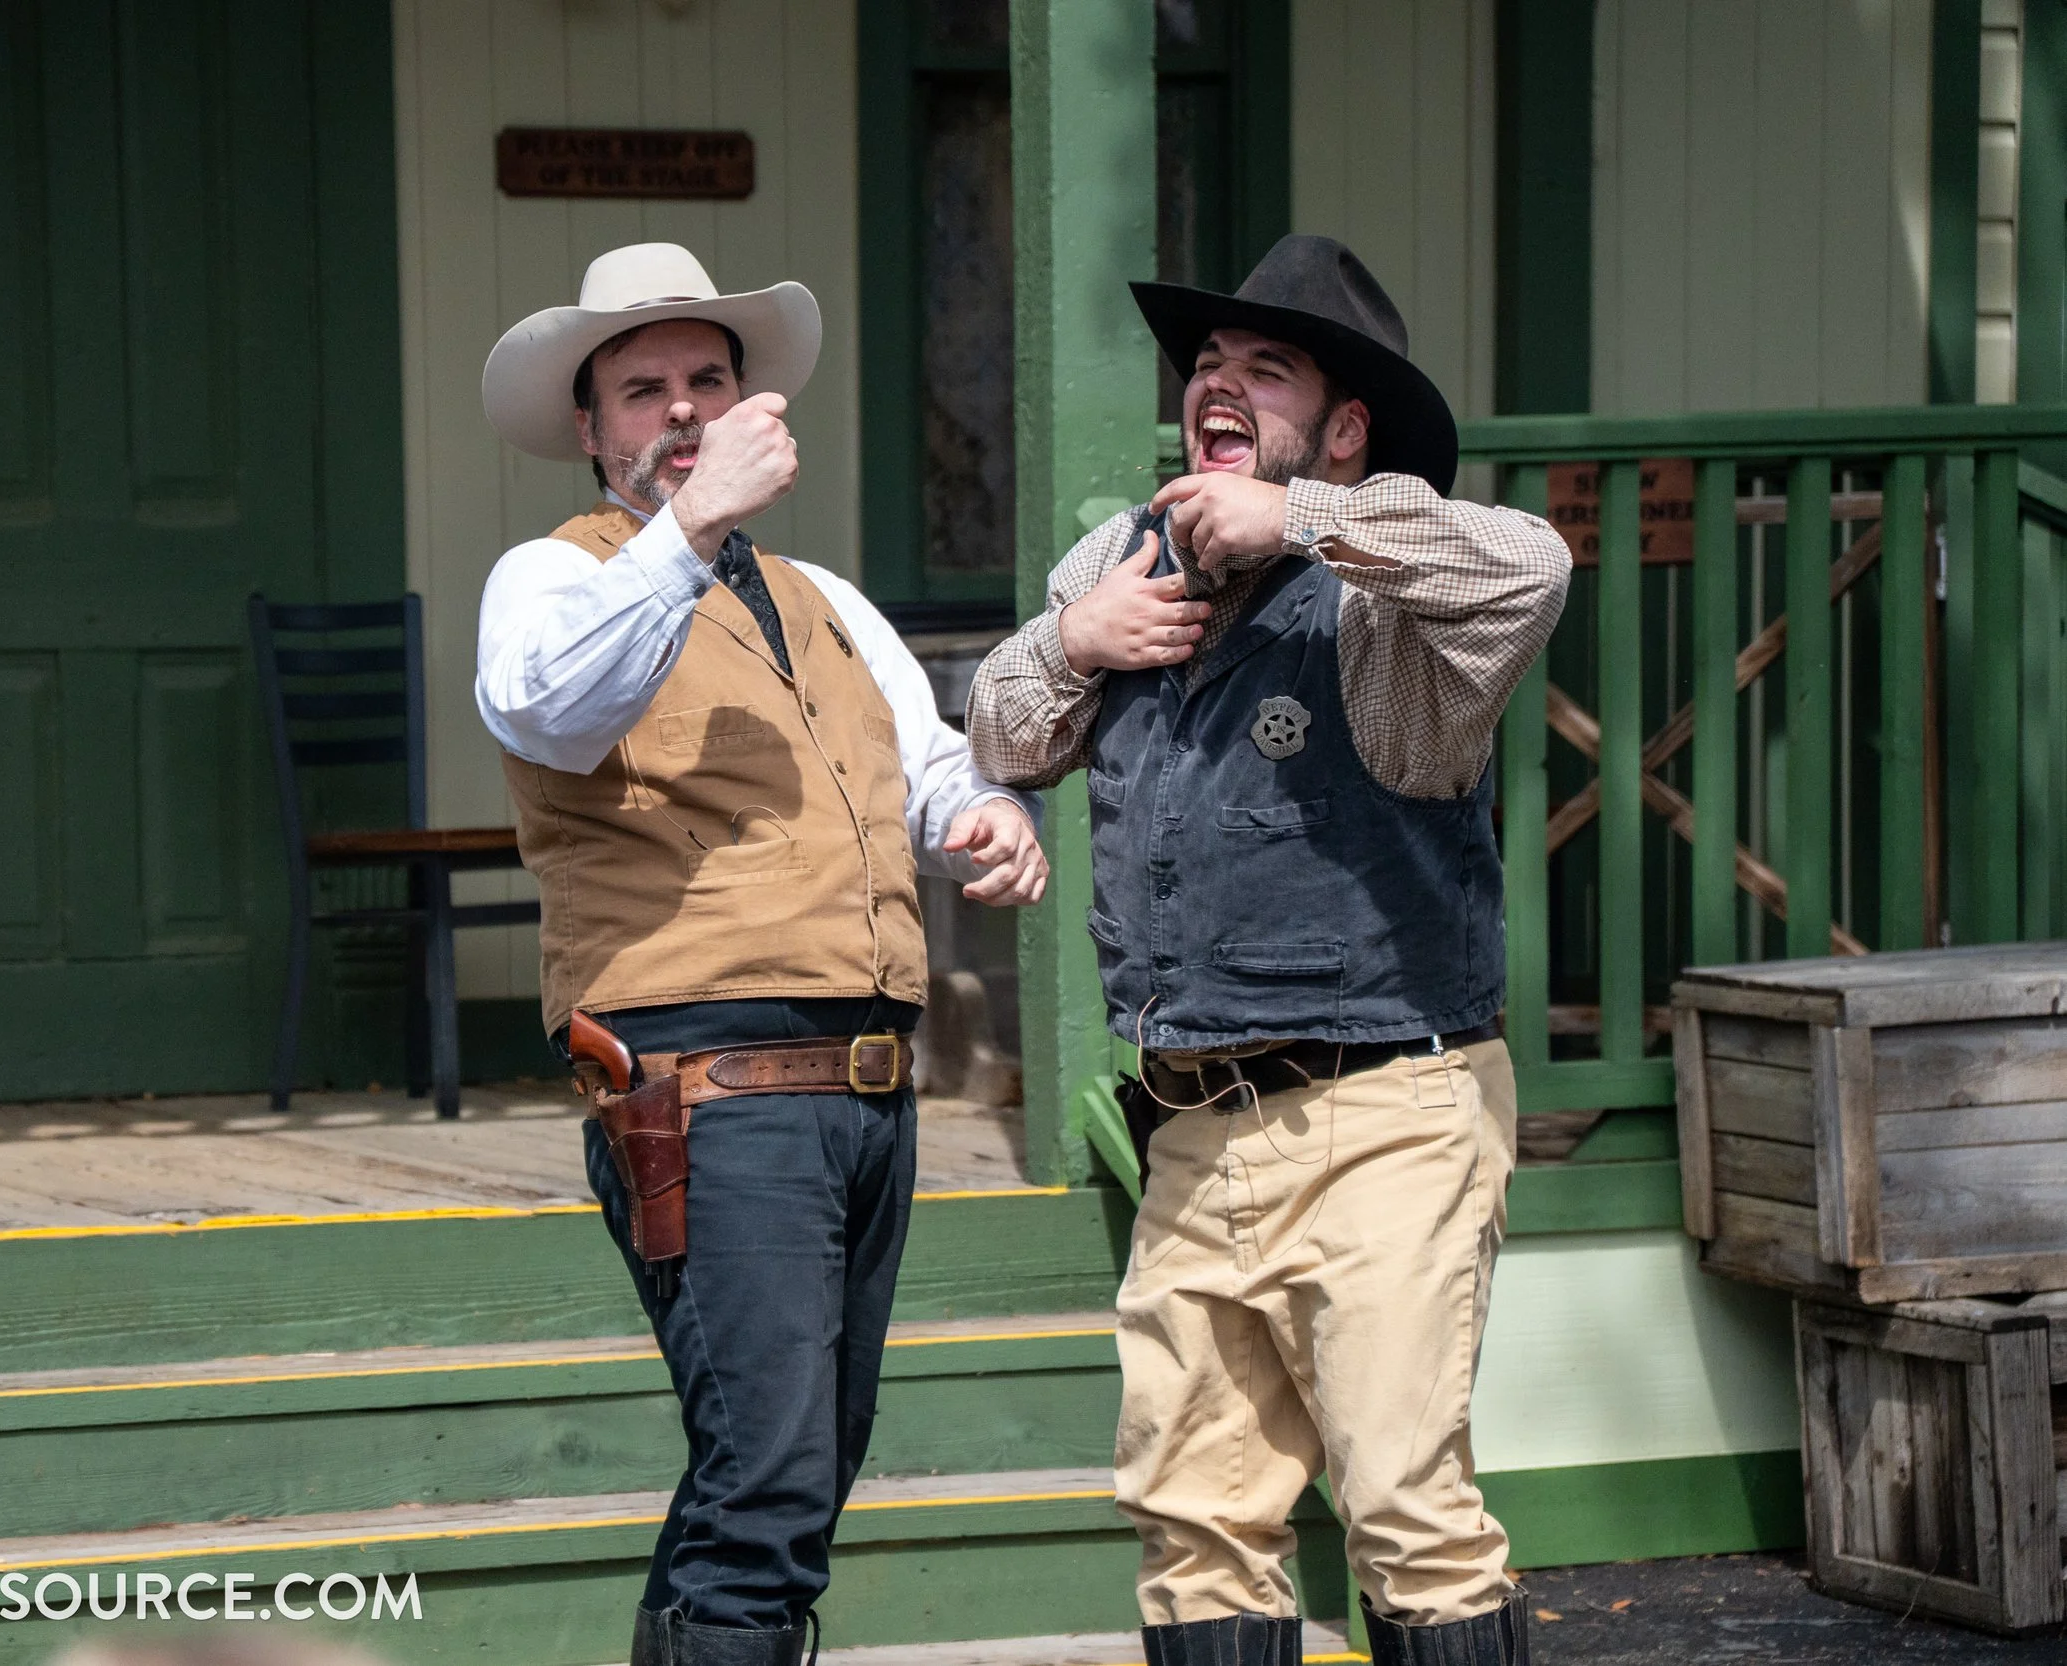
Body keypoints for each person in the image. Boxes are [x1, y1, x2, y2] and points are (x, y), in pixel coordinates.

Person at [968, 234, 1571, 1666]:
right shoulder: (1119, 561)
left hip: (1389, 1112)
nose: (1218, 389)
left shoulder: (1383, 585)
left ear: (1342, 430)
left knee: (1407, 1510)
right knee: (1194, 1520)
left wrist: (1301, 519)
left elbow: (1531, 566)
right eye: (1210, 369)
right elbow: (997, 726)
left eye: (1267, 371)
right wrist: (1077, 635)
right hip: (1189, 1129)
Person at [475, 242, 1047, 1666]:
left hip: (862, 1089)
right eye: (644, 390)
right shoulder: (553, 579)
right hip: (705, 1091)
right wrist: (686, 537)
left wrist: (982, 811)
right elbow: (548, 709)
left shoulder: (826, 598)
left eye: (707, 381)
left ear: (750, 403)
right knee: (769, 1485)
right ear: (594, 428)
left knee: (790, 1477)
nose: (681, 411)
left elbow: (919, 759)